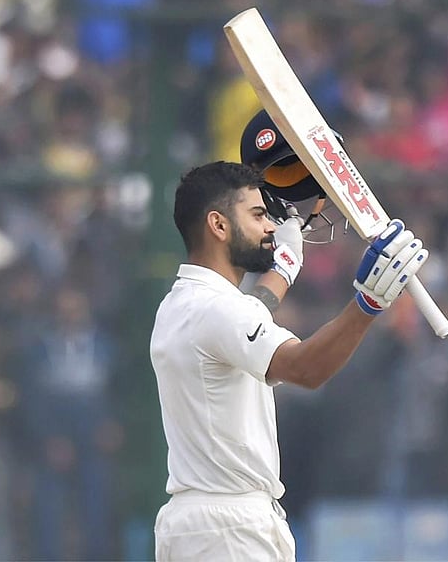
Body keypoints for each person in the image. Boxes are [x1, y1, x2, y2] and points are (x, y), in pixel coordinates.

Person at [150, 160, 428, 561]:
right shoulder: (215, 310)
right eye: (258, 214)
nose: (270, 228)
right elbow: (305, 369)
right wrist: (369, 301)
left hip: (205, 525)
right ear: (218, 224)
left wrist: (284, 267)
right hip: (230, 529)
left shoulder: (181, 303)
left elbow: (248, 317)